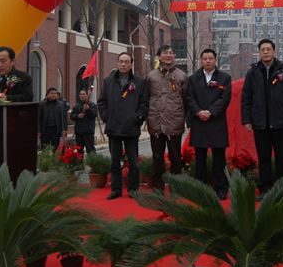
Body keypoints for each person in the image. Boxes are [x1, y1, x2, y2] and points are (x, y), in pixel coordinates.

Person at [241, 39, 283, 201]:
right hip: (260, 123)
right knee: (264, 159)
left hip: (280, 122)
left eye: (268, 49)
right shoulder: (253, 72)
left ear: (274, 51)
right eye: (262, 50)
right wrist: (247, 120)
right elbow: (246, 98)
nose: (265, 52)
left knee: (282, 158)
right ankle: (265, 189)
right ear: (259, 53)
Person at [98, 52, 149, 199]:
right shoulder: (108, 81)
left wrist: (138, 117)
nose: (123, 64)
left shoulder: (139, 82)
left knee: (133, 162)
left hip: (131, 127)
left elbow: (144, 103)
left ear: (131, 65)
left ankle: (133, 189)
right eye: (121, 61)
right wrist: (106, 117)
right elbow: (102, 102)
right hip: (113, 127)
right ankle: (116, 189)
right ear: (117, 63)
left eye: (126, 62)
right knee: (114, 161)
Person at [187, 48, 232, 200]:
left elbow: (225, 98)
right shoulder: (193, 78)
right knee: (200, 159)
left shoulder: (224, 78)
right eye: (205, 59)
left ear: (215, 60)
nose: (207, 61)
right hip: (199, 122)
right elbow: (189, 98)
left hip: (216, 122)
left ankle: (221, 188)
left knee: (219, 159)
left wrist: (211, 112)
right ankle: (201, 188)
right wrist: (199, 112)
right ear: (201, 61)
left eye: (210, 58)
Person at [146, 45, 188, 192]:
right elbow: (147, 97)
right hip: (155, 122)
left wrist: (184, 118)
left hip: (174, 122)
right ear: (159, 56)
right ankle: (158, 187)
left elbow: (186, 99)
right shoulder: (151, 76)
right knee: (157, 157)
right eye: (165, 53)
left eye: (171, 53)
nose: (169, 55)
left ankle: (175, 186)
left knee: (175, 157)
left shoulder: (182, 76)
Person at [70, 89, 98, 156]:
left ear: (87, 95)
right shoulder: (76, 106)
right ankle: (79, 162)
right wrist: (77, 116)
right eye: (80, 94)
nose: (82, 96)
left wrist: (88, 109)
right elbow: (72, 116)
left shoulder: (92, 105)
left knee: (90, 150)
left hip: (88, 131)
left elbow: (94, 114)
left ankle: (92, 161)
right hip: (79, 132)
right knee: (79, 151)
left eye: (83, 94)